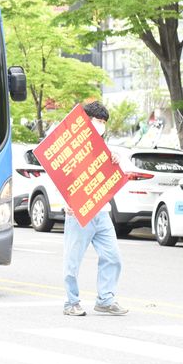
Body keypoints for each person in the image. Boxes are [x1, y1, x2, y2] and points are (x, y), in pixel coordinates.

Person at [63, 101, 128, 316]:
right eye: (98, 121)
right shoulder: (71, 149)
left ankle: (106, 299)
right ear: (86, 121)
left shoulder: (104, 149)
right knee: (72, 261)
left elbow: (108, 177)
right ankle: (71, 303)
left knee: (113, 257)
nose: (102, 125)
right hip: (79, 213)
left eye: (104, 122)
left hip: (101, 212)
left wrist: (114, 161)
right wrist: (65, 203)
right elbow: (59, 177)